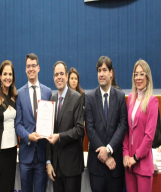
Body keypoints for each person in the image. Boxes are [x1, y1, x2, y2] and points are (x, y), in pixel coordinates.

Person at [85, 56, 127, 192]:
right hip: (96, 167)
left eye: (104, 70)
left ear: (111, 73)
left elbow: (122, 125)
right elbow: (90, 129)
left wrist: (108, 150)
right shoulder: (90, 97)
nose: (101, 74)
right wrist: (104, 156)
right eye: (99, 71)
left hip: (115, 166)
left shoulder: (120, 97)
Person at [15, 53, 52, 192]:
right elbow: (17, 124)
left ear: (38, 68)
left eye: (33, 66)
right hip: (26, 155)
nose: (31, 69)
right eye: (28, 66)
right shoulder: (19, 94)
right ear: (25, 69)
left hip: (42, 155)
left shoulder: (48, 92)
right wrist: (28, 136)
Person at [46, 61, 84, 192]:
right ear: (53, 78)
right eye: (56, 75)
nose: (59, 77)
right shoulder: (52, 100)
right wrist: (49, 162)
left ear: (67, 76)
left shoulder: (77, 98)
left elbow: (79, 129)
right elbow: (48, 132)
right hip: (56, 169)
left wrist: (59, 137)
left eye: (62, 74)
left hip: (72, 167)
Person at [123, 59, 159, 192]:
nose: (138, 78)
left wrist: (135, 157)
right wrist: (126, 154)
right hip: (129, 166)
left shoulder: (152, 101)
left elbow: (149, 137)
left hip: (142, 164)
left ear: (147, 77)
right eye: (136, 74)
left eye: (141, 74)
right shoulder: (131, 98)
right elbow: (126, 130)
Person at [0, 60, 18, 192]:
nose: (7, 77)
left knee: (10, 188)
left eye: (10, 74)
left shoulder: (14, 96)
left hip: (12, 151)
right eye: (5, 74)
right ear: (0, 76)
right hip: (0, 154)